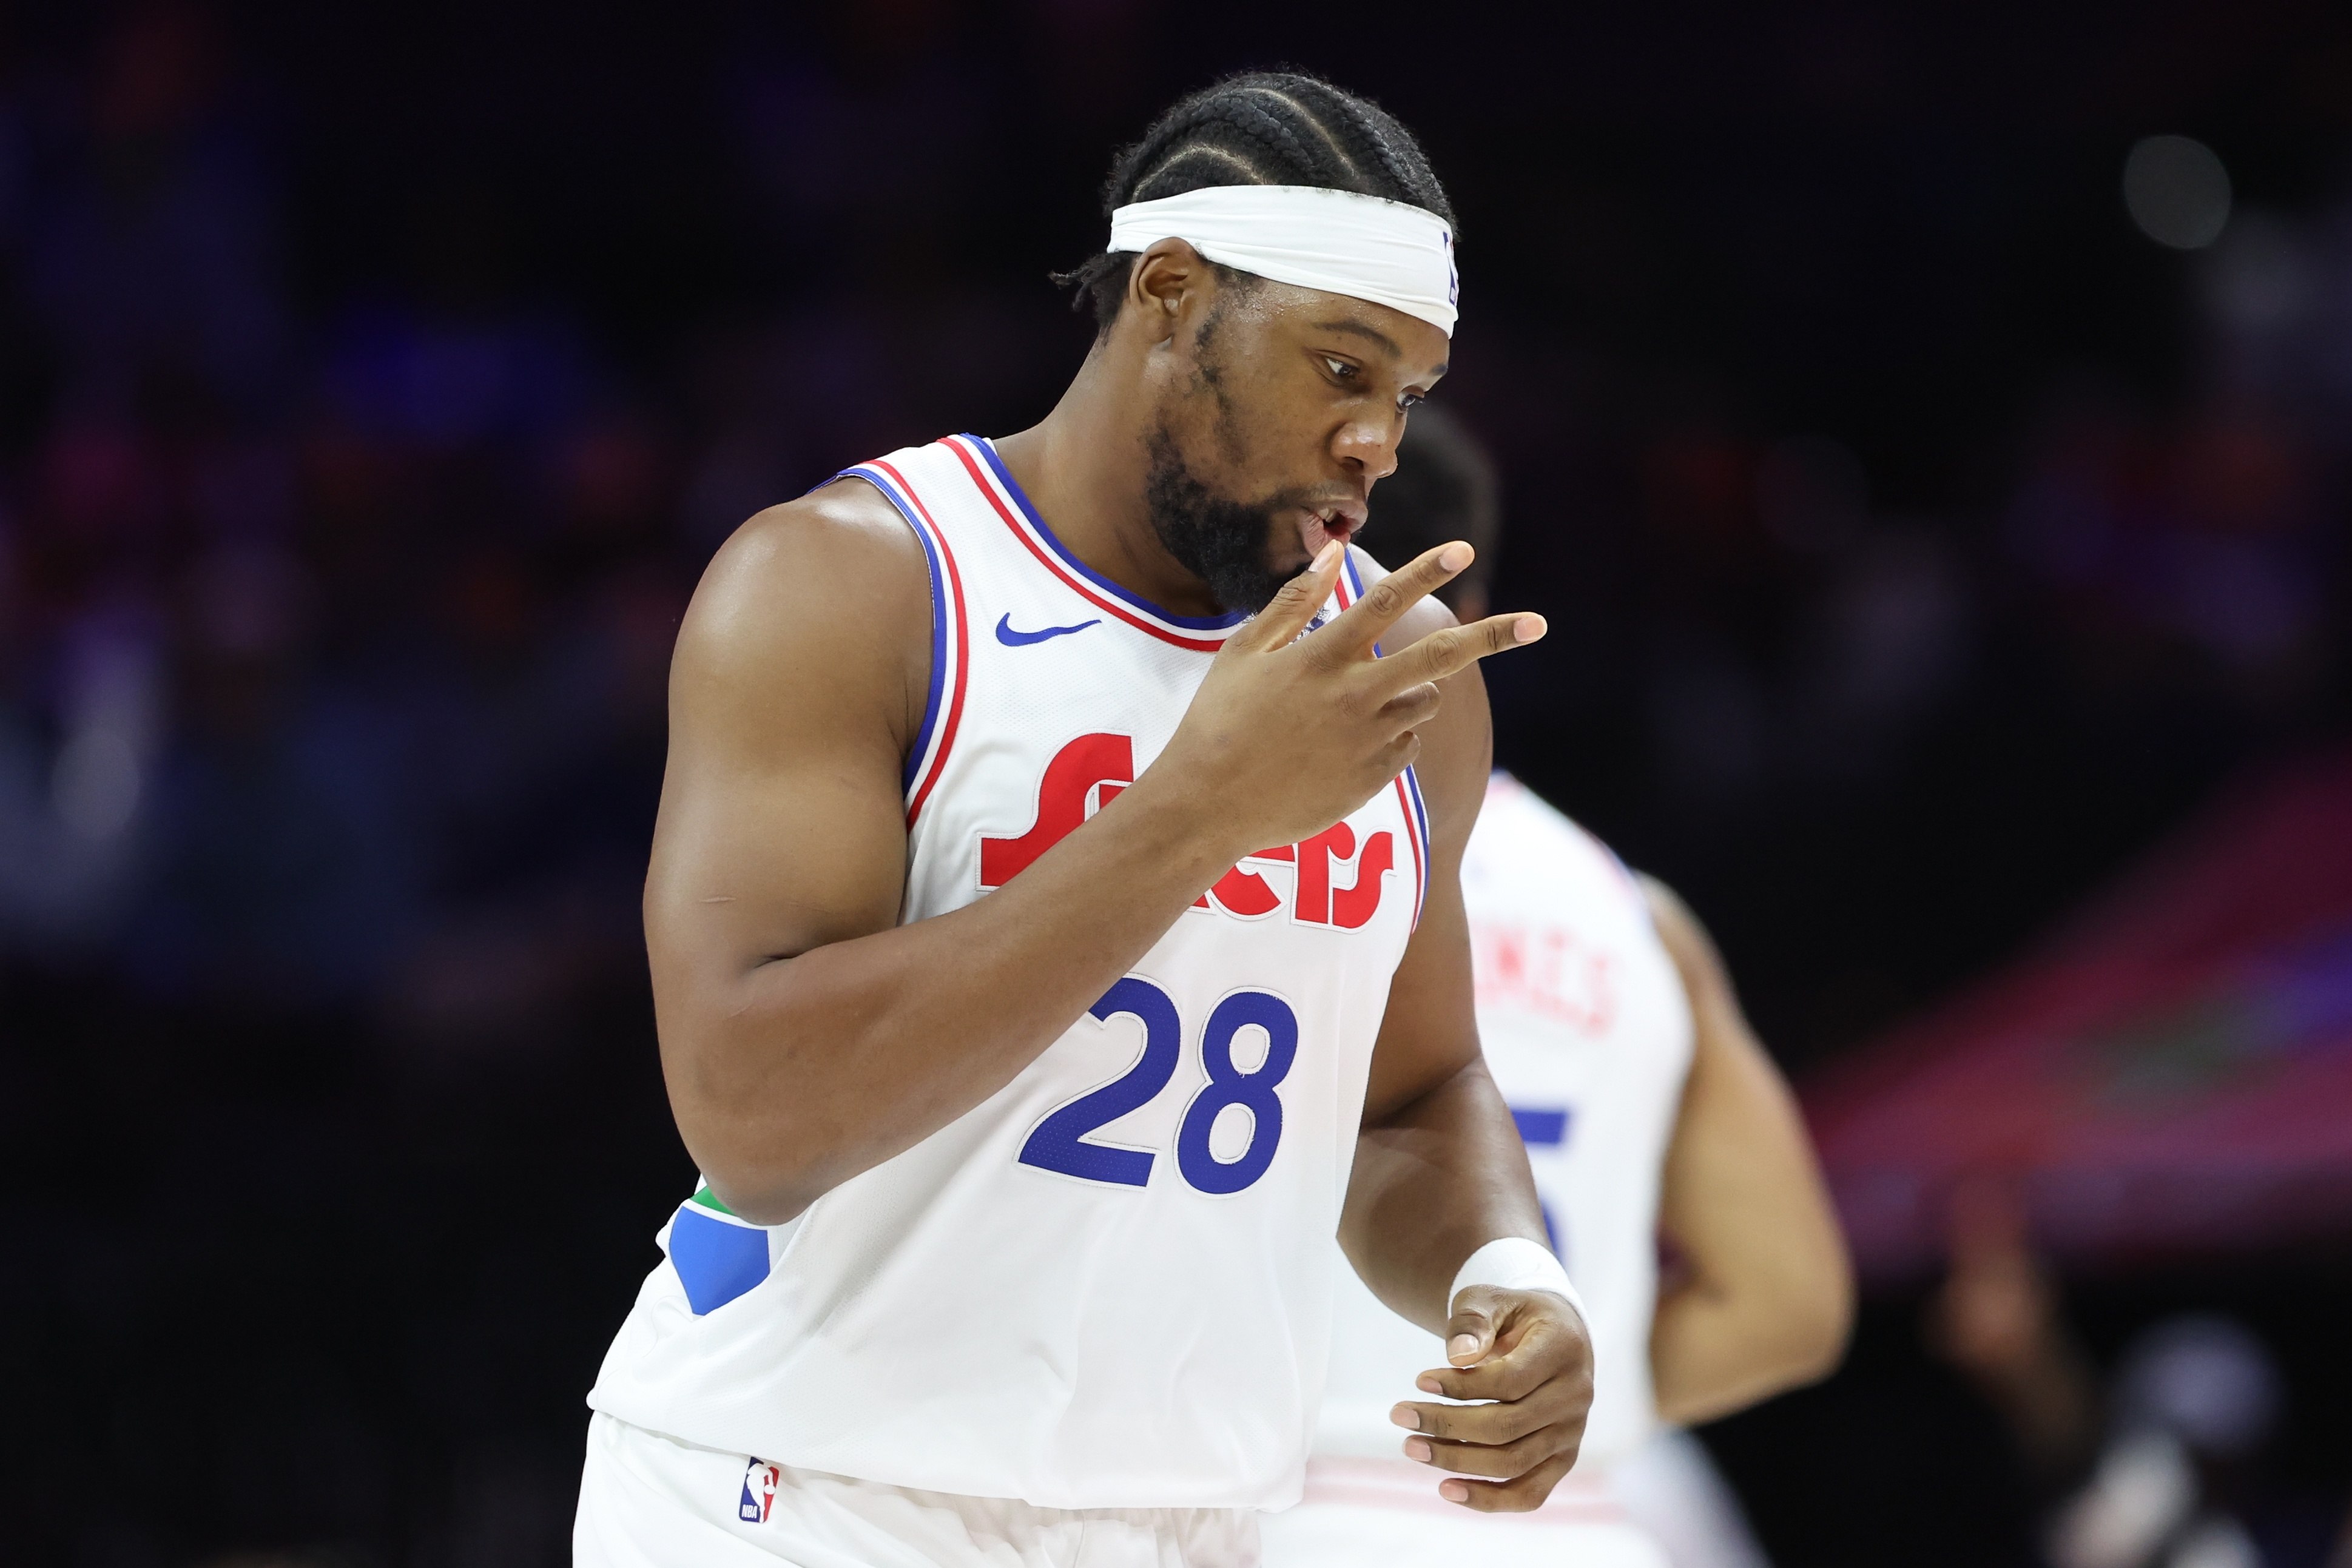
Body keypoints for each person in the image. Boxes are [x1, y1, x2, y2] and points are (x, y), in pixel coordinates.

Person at [575, 73, 1597, 1568]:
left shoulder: (1400, 681)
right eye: (1340, 366)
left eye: (1408, 395)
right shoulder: (858, 583)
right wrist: (1197, 816)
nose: (1376, 439)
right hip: (799, 1497)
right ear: (1171, 295)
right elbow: (754, 1117)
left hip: (1183, 1521)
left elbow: (1413, 1096)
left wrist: (1508, 1275)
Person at [1259, 407, 1854, 1568]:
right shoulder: (1639, 918)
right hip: (1567, 1525)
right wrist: (1542, 1410)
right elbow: (1787, 1302)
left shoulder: (1225, 858)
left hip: (1286, 1505)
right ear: (1475, 614)